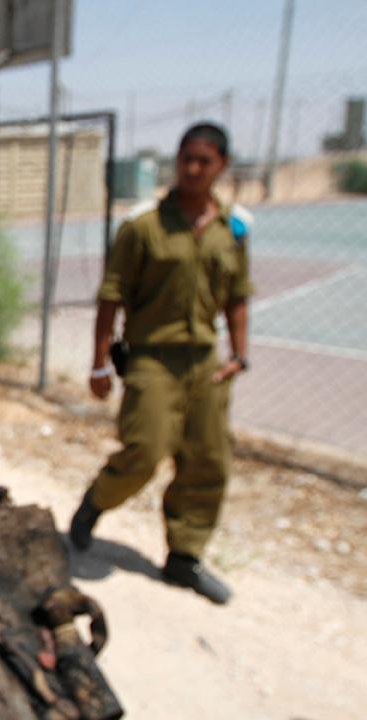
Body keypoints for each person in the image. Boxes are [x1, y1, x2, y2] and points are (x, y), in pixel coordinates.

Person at [69, 122, 253, 605]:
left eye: (204, 161)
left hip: (205, 363)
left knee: (208, 460)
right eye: (186, 158)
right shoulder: (143, 227)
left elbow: (238, 296)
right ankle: (96, 503)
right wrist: (99, 364)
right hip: (151, 358)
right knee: (144, 452)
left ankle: (184, 557)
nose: (193, 169)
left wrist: (239, 354)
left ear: (222, 166)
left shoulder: (232, 229)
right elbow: (111, 296)